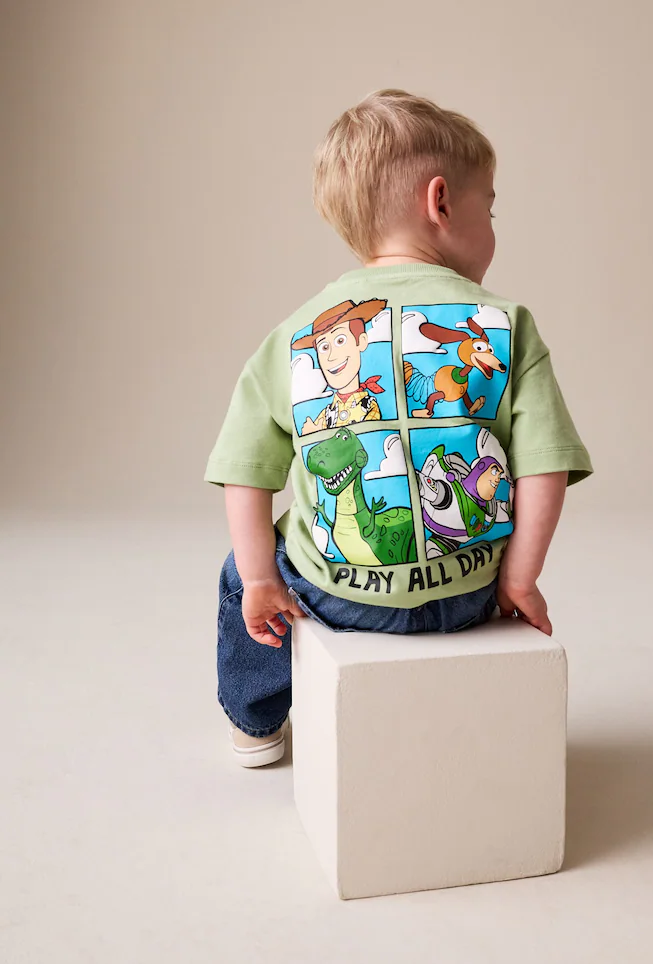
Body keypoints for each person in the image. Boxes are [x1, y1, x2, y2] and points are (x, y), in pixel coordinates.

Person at [205, 89, 593, 767]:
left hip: (337, 595)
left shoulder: (294, 334)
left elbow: (245, 470)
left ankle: (256, 726)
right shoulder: (506, 324)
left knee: (241, 573)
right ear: (440, 202)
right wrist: (518, 579)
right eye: (489, 207)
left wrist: (264, 579)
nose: (493, 225)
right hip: (470, 592)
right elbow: (544, 465)